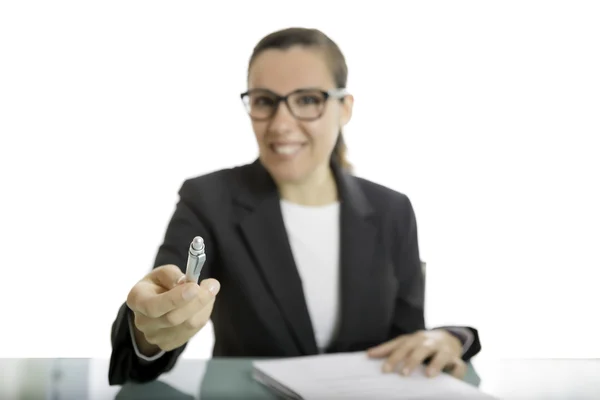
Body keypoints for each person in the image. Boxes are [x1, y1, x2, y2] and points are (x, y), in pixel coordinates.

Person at [108, 27, 481, 385]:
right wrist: (149, 331)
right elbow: (152, 313)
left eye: (307, 100)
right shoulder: (209, 199)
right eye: (265, 101)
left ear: (345, 108)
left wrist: (450, 339)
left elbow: (409, 343)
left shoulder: (393, 210)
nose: (281, 124)